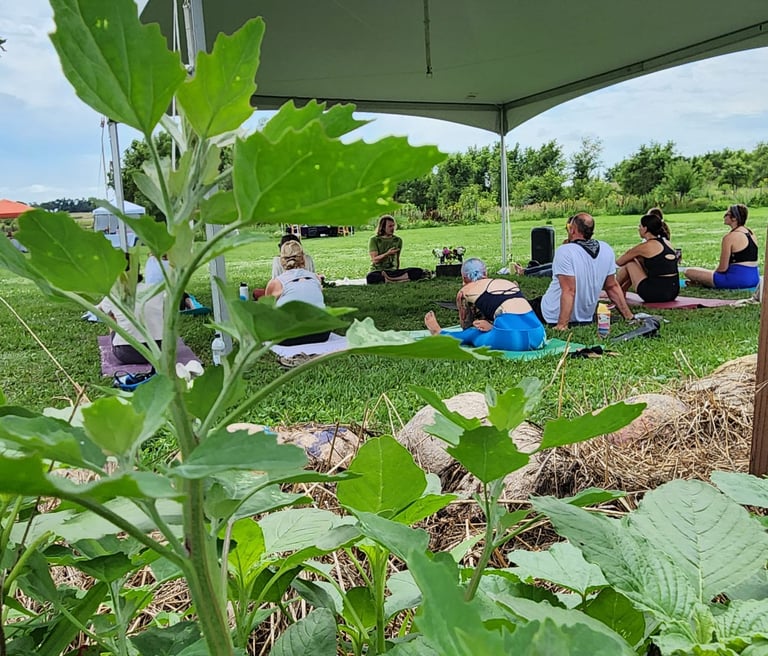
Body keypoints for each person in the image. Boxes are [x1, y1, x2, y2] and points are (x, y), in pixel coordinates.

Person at [530, 212, 634, 330]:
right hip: (585, 317)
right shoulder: (606, 249)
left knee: (517, 306)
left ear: (573, 230)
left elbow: (569, 290)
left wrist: (562, 325)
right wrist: (629, 316)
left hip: (551, 314)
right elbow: (612, 287)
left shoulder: (565, 251)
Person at [424, 258, 546, 351]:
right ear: (486, 273)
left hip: (513, 339)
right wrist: (492, 327)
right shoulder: (507, 282)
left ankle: (439, 333)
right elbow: (515, 316)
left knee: (472, 333)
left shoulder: (465, 291)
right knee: (508, 318)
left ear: (464, 278)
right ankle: (495, 330)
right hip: (539, 335)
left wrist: (480, 330)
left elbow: (466, 325)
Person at [265, 240, 330, 345]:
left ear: (281, 260)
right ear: (303, 258)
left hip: (288, 336)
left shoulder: (276, 283)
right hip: (321, 333)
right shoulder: (316, 278)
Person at [684, 204, 759, 289]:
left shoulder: (730, 237)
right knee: (702, 273)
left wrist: (709, 275)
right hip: (754, 279)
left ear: (734, 218)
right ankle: (700, 283)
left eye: (727, 214)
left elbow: (722, 268)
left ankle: (701, 282)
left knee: (688, 271)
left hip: (735, 280)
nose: (724, 216)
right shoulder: (751, 233)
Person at [616, 212, 680, 302]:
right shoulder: (667, 243)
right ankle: (621, 290)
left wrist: (631, 253)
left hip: (655, 294)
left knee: (630, 262)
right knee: (640, 260)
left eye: (640, 226)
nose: (638, 229)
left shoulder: (645, 246)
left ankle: (614, 290)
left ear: (645, 229)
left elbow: (619, 262)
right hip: (673, 292)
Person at [99, 284, 165, 364]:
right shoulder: (155, 289)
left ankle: (116, 337)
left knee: (109, 315)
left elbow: (101, 309)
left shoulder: (113, 294)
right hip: (159, 350)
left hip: (126, 353)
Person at [366, 214, 428, 284]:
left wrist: (397, 269)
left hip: (392, 271)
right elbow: (375, 260)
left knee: (417, 271)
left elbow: (397, 258)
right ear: (383, 227)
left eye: (393, 226)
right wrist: (387, 254)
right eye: (390, 226)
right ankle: (401, 280)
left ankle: (390, 280)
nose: (392, 228)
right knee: (371, 277)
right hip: (378, 271)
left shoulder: (398, 240)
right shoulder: (374, 240)